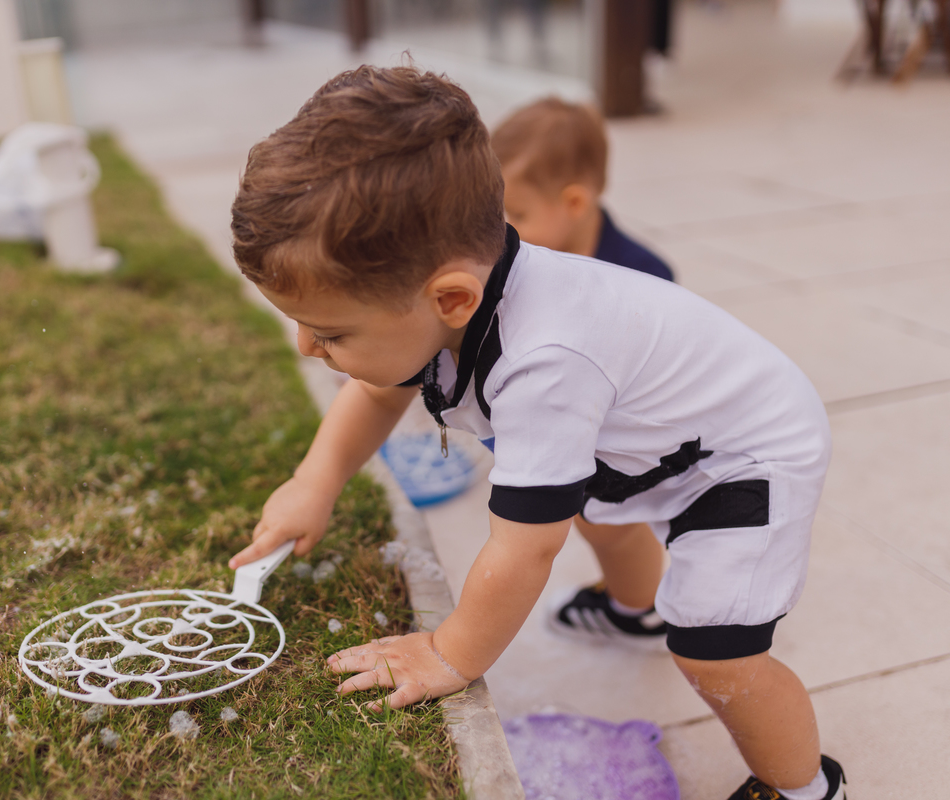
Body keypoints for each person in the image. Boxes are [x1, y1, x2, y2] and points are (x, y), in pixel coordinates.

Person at [227, 66, 846, 800]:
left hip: (746, 454)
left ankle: (805, 787)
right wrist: (315, 480)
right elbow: (375, 390)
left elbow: (525, 549)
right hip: (661, 437)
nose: (304, 345)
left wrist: (448, 654)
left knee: (716, 650)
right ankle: (634, 608)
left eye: (329, 331)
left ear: (450, 298)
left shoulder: (544, 363)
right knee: (594, 511)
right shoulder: (453, 302)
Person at [492, 97, 678, 651]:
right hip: (581, 419)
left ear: (574, 201)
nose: (500, 231)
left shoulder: (639, 275)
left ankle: (639, 609)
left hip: (629, 434)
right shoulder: (530, 256)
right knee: (600, 523)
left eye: (515, 214)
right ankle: (636, 596)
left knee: (608, 525)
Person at [491, 97, 673, 281]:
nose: (507, 228)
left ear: (574, 203)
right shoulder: (512, 267)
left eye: (519, 215)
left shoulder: (645, 276)